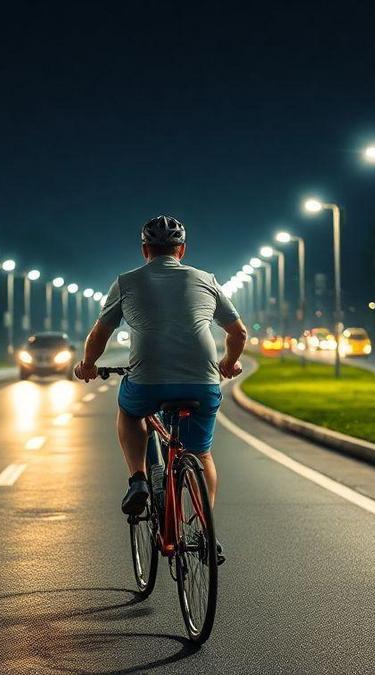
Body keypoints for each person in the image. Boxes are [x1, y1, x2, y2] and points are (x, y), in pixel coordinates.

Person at [74, 215, 247, 562]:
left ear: (144, 251)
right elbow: (239, 333)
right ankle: (206, 529)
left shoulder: (126, 282)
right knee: (201, 454)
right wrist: (229, 363)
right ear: (181, 250)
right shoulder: (206, 280)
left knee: (129, 411)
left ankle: (138, 478)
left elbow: (100, 334)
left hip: (148, 380)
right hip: (202, 382)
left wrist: (89, 365)